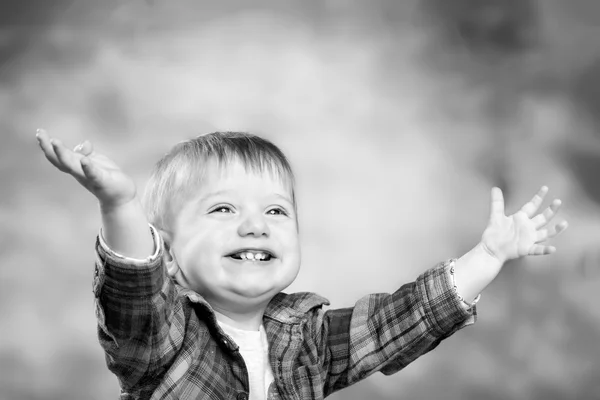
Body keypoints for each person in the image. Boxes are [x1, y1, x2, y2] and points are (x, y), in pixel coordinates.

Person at [36, 129, 568, 400]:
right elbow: (134, 290)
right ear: (169, 256)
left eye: (275, 209)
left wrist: (488, 256)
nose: (255, 225)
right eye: (223, 209)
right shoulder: (161, 340)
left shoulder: (307, 338)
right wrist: (119, 206)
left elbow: (398, 321)